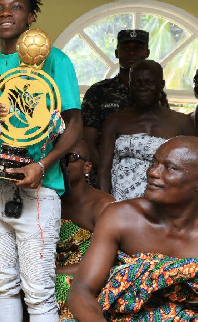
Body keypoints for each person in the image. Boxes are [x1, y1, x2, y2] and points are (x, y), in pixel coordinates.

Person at [0, 0, 82, 322]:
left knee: (39, 290)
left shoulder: (54, 60)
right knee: (3, 285)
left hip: (38, 187)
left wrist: (44, 165)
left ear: (31, 16)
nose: (6, 13)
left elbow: (75, 122)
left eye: (16, 6)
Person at [69, 136, 198, 321]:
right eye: (154, 162)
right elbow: (82, 290)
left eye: (169, 167)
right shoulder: (121, 217)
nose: (153, 172)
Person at [98, 60, 194, 200]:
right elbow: (103, 170)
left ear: (161, 85)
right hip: (122, 204)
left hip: (166, 206)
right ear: (129, 86)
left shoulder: (182, 122)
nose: (142, 87)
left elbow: (193, 169)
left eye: (149, 83)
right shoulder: (115, 121)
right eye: (136, 83)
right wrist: (105, 205)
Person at [55, 141, 113, 321]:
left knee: (64, 285)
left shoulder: (103, 205)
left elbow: (112, 260)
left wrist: (54, 271)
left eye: (70, 158)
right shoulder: (46, 201)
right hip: (51, 268)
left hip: (89, 273)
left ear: (87, 166)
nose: (63, 164)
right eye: (58, 158)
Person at [81, 29, 151, 173]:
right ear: (117, 53)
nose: (132, 53)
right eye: (126, 48)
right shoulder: (99, 91)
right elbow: (88, 141)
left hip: (146, 178)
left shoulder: (154, 93)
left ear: (147, 53)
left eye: (138, 48)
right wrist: (108, 174)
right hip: (104, 175)